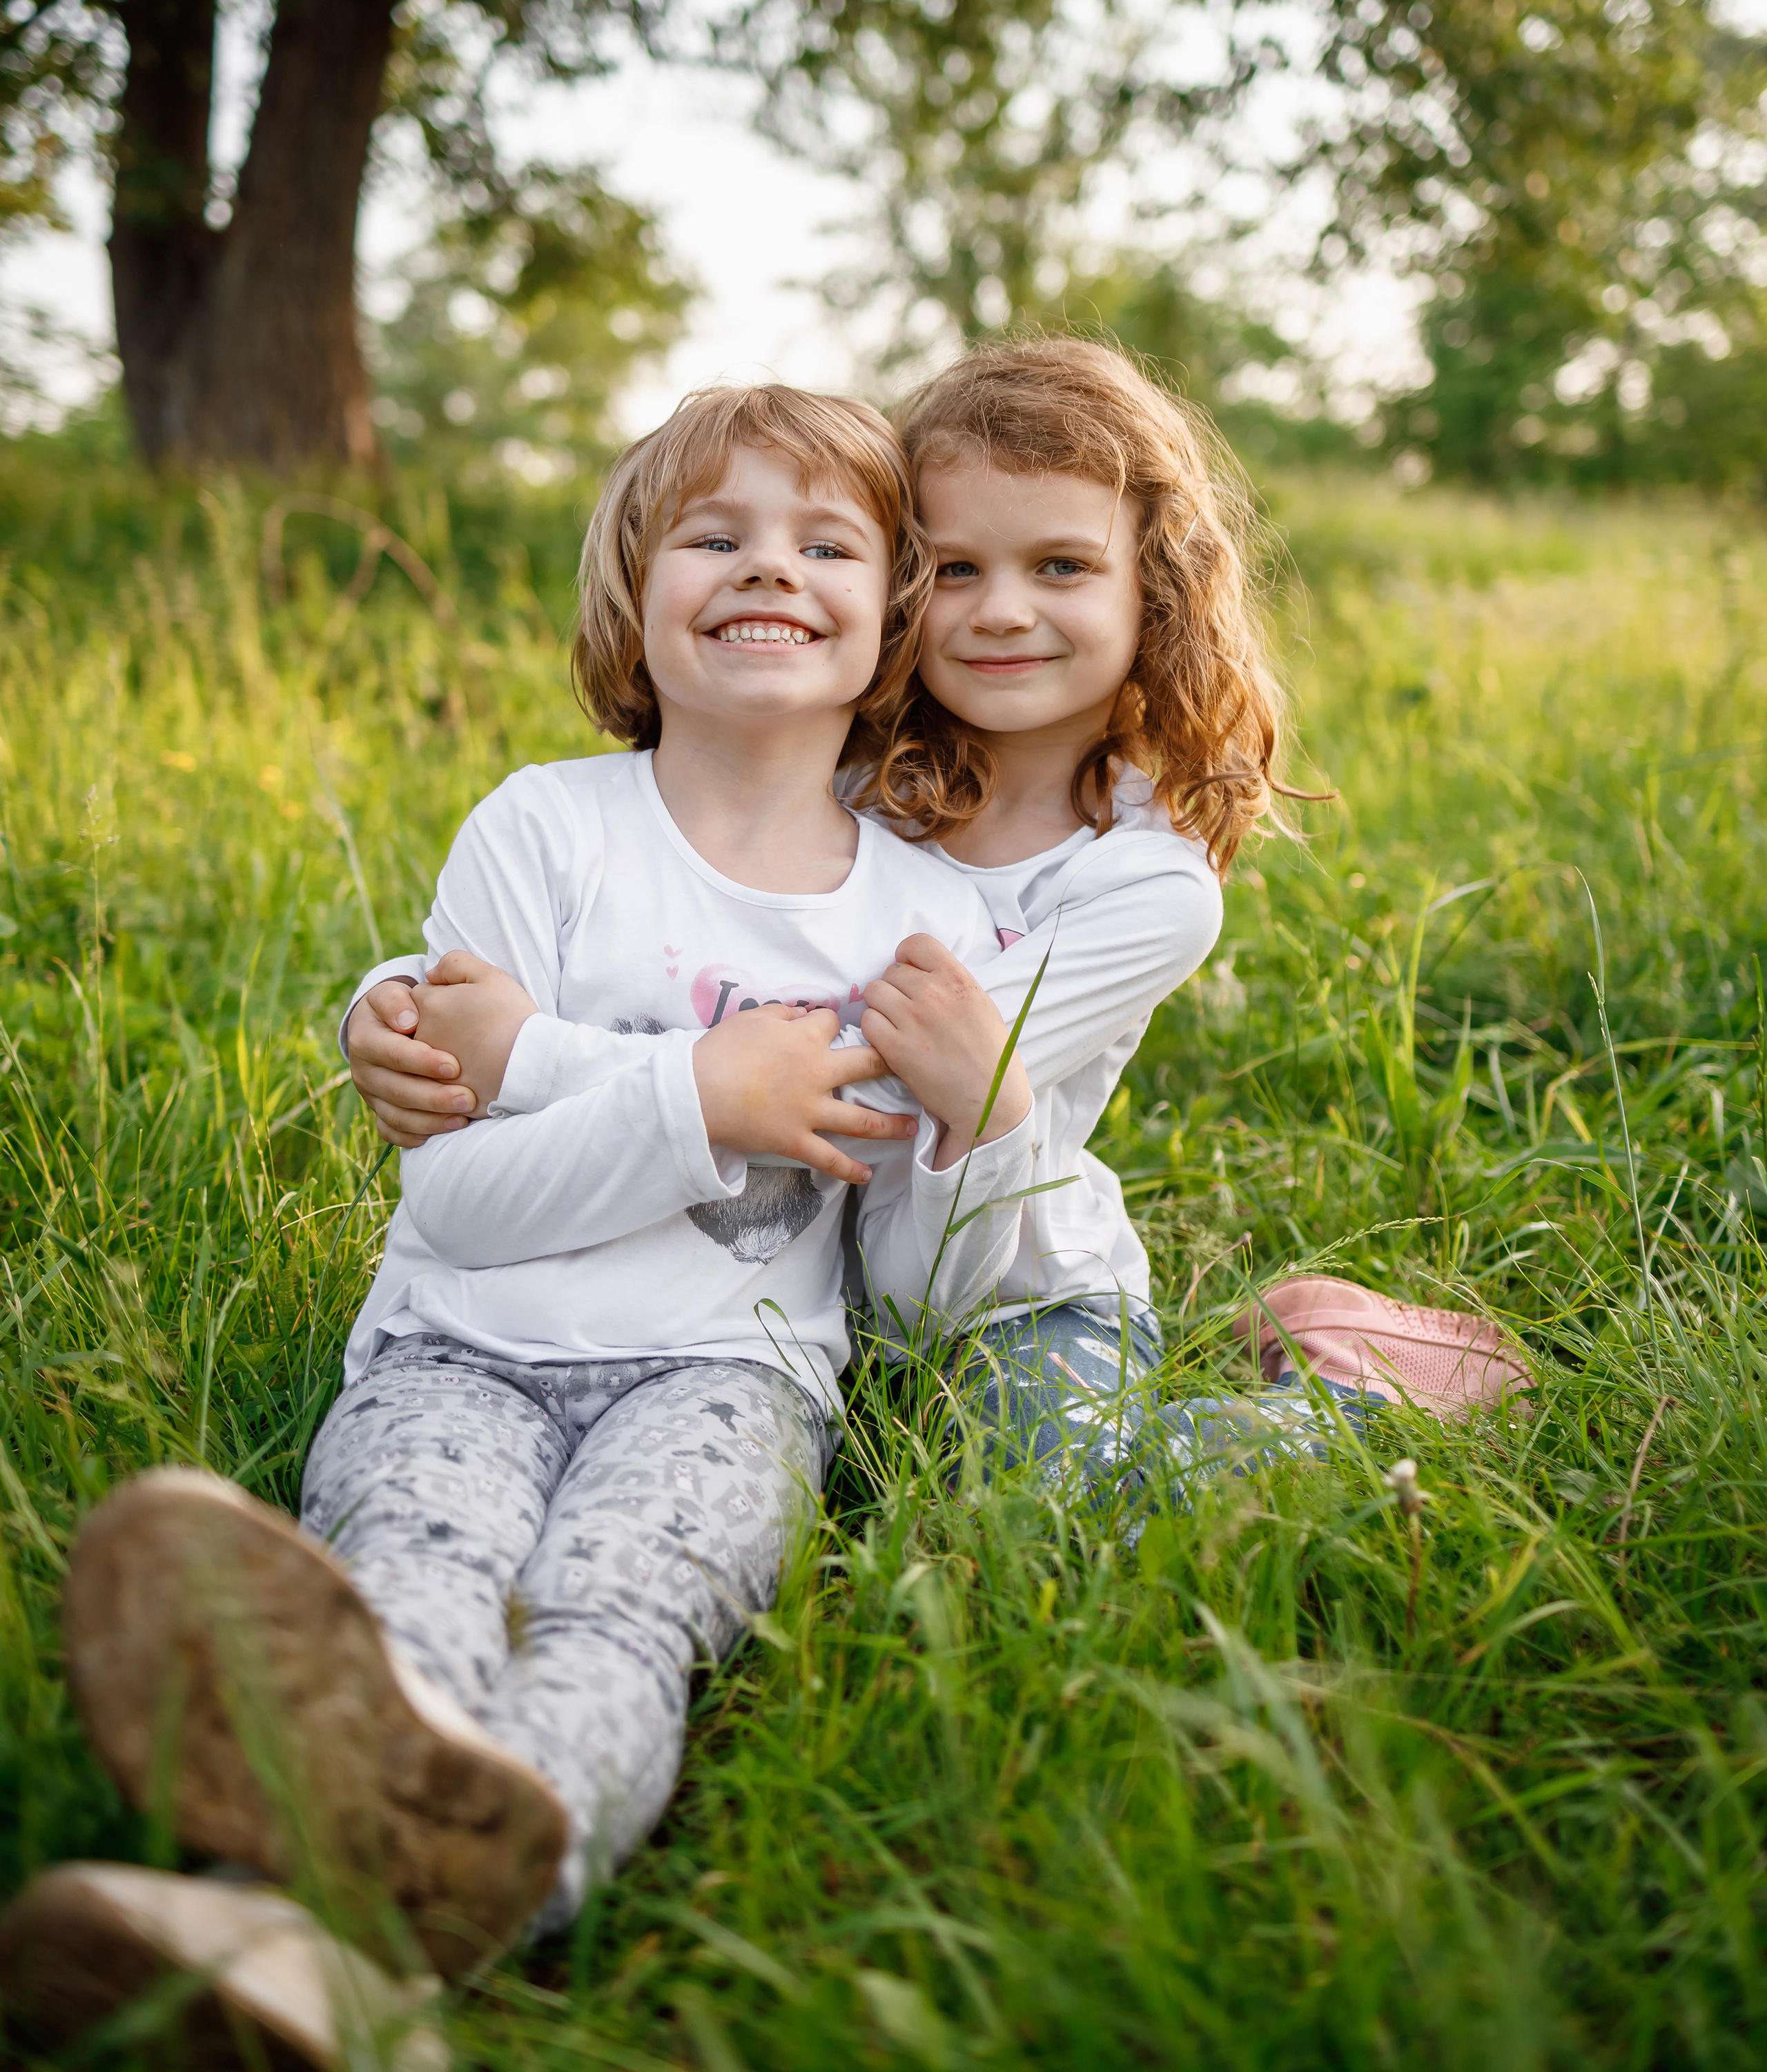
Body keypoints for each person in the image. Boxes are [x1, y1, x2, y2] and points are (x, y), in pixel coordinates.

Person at [3, 385, 1042, 2069]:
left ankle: (284, 1940)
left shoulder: (928, 914)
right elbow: (465, 1202)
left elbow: (913, 1280)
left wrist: (976, 1126)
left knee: (617, 1617)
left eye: (823, 542)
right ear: (634, 603)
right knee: (404, 1588)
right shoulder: (545, 827)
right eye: (713, 535)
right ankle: (339, 1944)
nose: (765, 566)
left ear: (890, 622)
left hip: (727, 1384)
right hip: (458, 1349)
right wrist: (698, 1098)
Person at [346, 338, 1532, 1511]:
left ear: (1152, 591)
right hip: (785, 1277)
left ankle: (1353, 1386)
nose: (1002, 612)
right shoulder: (850, 775)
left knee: (1033, 1503)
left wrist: (524, 1054)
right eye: (957, 568)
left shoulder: (1145, 888)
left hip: (997, 1279)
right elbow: (675, 888)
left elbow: (862, 1076)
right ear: (903, 583)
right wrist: (404, 1005)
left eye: (1062, 567)